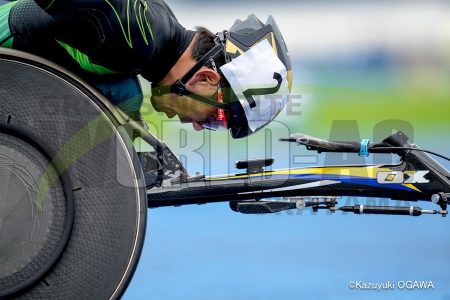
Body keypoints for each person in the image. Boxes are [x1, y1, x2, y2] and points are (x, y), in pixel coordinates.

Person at [0, 0, 293, 139]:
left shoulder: (150, 37)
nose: (197, 125)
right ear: (206, 77)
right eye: (216, 117)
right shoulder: (137, 36)